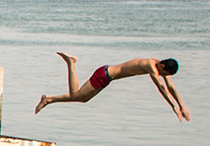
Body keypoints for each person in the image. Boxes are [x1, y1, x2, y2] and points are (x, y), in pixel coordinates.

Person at [35, 52, 191, 122]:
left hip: (107, 76)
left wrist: (182, 106)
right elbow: (162, 88)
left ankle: (48, 100)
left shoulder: (160, 67)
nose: (164, 77)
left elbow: (170, 87)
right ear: (162, 66)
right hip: (104, 74)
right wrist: (173, 107)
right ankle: (71, 63)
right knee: (76, 95)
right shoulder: (150, 65)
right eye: (164, 74)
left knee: (82, 98)